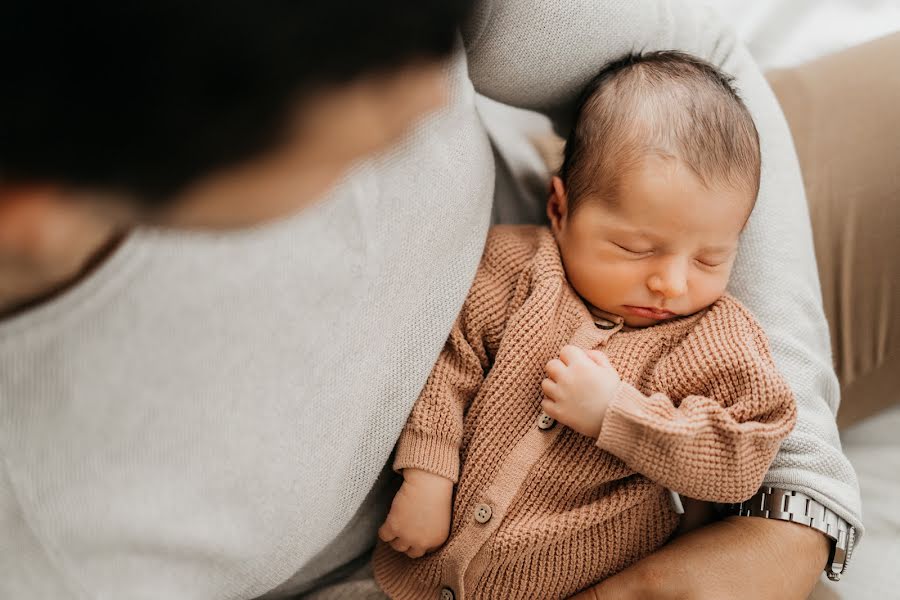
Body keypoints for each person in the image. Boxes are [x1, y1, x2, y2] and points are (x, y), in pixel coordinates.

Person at [0, 2, 863, 599]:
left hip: (702, 235)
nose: (442, 81)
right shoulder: (55, 532)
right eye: (379, 84)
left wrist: (791, 511)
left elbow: (699, 67)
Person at [373, 52, 798, 600]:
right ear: (560, 209)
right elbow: (449, 360)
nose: (671, 282)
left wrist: (617, 415)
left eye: (709, 260)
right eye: (634, 248)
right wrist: (429, 472)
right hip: (424, 571)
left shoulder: (715, 336)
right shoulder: (517, 267)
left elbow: (741, 454)